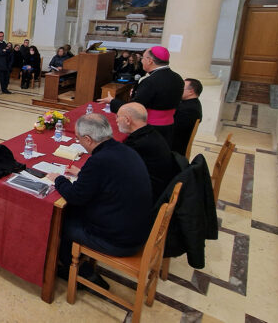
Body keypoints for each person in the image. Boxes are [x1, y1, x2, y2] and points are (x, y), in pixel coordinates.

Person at [44, 113, 152, 287]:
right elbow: (109, 178)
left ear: (87, 139)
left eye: (79, 139)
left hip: (118, 240)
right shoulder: (123, 150)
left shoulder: (99, 160)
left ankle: (82, 273)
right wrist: (83, 174)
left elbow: (75, 196)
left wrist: (58, 179)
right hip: (136, 228)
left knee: (59, 222)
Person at [98, 46, 184, 146]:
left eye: (143, 58)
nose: (141, 61)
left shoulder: (150, 81)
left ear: (150, 61)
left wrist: (112, 101)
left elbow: (134, 108)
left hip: (150, 130)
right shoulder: (178, 78)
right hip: (168, 128)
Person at [117, 103, 181, 201]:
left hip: (147, 197)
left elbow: (117, 170)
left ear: (127, 120)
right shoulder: (151, 132)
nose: (116, 120)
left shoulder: (137, 144)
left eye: (118, 117)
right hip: (160, 185)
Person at [173, 78, 204, 156]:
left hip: (176, 148)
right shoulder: (191, 103)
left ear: (191, 92)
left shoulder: (190, 110)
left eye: (181, 88)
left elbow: (175, 129)